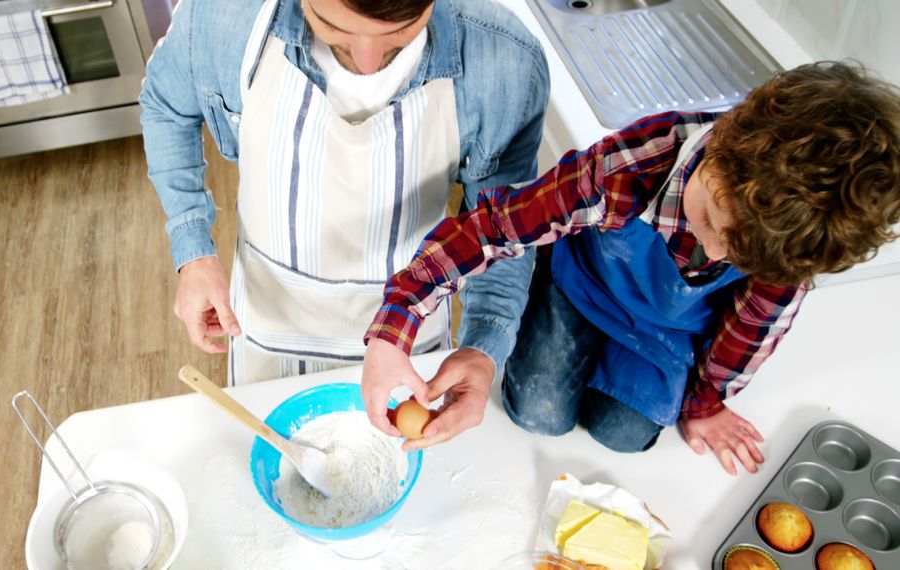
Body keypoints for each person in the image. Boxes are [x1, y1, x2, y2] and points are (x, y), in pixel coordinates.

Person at [361, 61, 900, 475]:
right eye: (711, 219)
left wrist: (706, 403)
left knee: (626, 433)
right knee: (537, 413)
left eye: (737, 258)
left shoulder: (789, 239)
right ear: (727, 139)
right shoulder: (635, 164)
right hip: (584, 284)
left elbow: (750, 332)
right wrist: (399, 319)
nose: (712, 256)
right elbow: (491, 227)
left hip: (663, 328)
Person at [140, 0, 550, 385]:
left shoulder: (504, 62)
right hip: (265, 336)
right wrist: (193, 250)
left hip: (410, 349)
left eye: (400, 31)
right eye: (334, 28)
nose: (367, 62)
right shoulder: (225, 17)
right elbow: (166, 104)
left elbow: (501, 235)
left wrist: (481, 350)